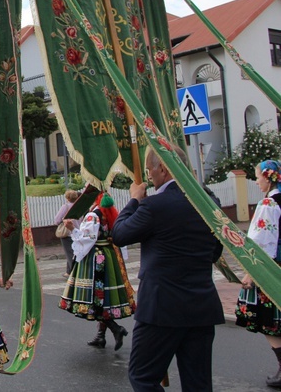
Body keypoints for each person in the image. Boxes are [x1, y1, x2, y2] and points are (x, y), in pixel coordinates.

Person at [112, 146, 224, 391]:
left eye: (151, 170)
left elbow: (119, 234)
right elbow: (216, 250)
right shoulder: (209, 200)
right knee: (198, 384)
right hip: (201, 305)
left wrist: (133, 199)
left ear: (162, 168)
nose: (149, 177)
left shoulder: (155, 205)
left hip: (161, 308)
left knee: (142, 377)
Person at [59, 191, 135, 351]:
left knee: (95, 299)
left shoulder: (94, 214)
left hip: (96, 258)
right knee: (104, 298)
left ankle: (115, 328)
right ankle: (101, 336)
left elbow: (86, 238)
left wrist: (72, 229)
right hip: (109, 256)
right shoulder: (109, 212)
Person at [235, 160, 281, 388]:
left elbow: (261, 244)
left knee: (269, 321)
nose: (256, 181)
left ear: (268, 177)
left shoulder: (269, 203)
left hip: (274, 269)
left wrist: (250, 274)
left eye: (257, 176)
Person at [53, 189, 81, 277]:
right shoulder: (79, 206)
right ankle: (68, 272)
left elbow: (57, 220)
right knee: (75, 251)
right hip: (78, 231)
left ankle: (74, 273)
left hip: (68, 233)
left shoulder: (65, 206)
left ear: (67, 198)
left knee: (70, 253)